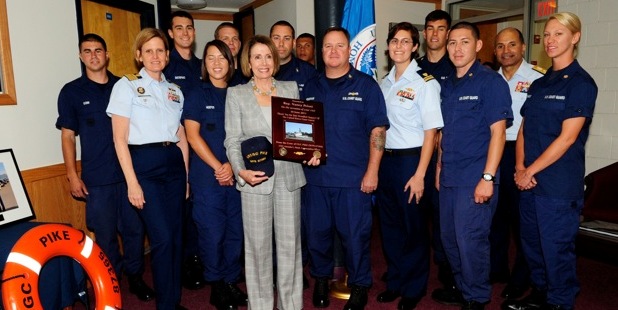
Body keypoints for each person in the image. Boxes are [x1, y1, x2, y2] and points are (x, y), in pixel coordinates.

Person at [505, 12, 597, 310]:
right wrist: (520, 168)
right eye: (547, 35)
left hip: (558, 185)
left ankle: (559, 302)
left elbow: (567, 138)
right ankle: (541, 294)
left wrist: (529, 169)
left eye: (559, 33)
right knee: (532, 246)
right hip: (529, 181)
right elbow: (524, 130)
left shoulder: (581, 83)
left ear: (575, 37)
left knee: (556, 249)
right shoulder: (540, 83)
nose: (550, 40)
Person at [55, 33, 153, 302]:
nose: (94, 55)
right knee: (106, 236)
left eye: (98, 50)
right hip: (97, 180)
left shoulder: (125, 86)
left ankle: (135, 277)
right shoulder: (71, 91)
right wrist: (72, 175)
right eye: (87, 51)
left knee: (135, 231)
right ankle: (110, 282)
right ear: (80, 56)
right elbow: (67, 136)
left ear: (107, 54)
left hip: (129, 175)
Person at [224, 35, 318, 310]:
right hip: (255, 180)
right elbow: (232, 140)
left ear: (274, 61)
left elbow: (301, 134)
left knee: (290, 247)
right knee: (258, 250)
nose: (263, 62)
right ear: (248, 62)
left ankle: (291, 305)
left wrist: (310, 153)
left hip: (289, 178)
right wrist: (240, 171)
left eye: (268, 56)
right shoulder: (237, 93)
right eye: (257, 57)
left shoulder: (290, 89)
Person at [302, 27, 389, 310]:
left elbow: (377, 131)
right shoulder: (311, 86)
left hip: (353, 180)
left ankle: (360, 285)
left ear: (348, 50)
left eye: (339, 46)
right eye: (328, 46)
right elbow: (301, 130)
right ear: (321, 51)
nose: (333, 51)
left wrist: (372, 171)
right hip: (316, 179)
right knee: (317, 237)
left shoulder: (366, 85)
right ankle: (322, 280)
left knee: (355, 237)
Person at [106, 28, 189, 310]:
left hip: (174, 165)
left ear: (167, 55)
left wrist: (186, 178)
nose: (155, 56)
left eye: (160, 50)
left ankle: (173, 301)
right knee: (163, 239)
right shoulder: (126, 86)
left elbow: (182, 136)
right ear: (139, 55)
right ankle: (166, 306)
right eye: (149, 50)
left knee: (176, 238)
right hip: (144, 165)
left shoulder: (175, 91)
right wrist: (132, 183)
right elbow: (119, 139)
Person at [432, 22, 512, 310]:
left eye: (464, 42)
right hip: (450, 176)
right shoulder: (447, 84)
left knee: (471, 242)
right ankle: (464, 289)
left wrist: (488, 177)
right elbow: (443, 132)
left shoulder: (490, 82)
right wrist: (440, 167)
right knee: (448, 240)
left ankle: (476, 298)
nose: (457, 48)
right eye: (452, 42)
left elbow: (498, 133)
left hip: (476, 176)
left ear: (478, 46)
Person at [376, 22, 443, 310]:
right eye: (394, 41)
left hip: (412, 161)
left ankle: (414, 288)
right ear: (388, 46)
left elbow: (432, 133)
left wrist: (420, 175)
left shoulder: (425, 82)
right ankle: (396, 281)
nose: (399, 46)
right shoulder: (384, 82)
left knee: (413, 227)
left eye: (406, 41)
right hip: (386, 162)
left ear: (416, 47)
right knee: (389, 226)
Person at [183, 39, 247, 310]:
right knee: (212, 232)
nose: (217, 63)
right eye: (211, 58)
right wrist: (218, 166)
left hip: (236, 173)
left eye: (222, 57)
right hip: (207, 175)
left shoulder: (239, 93)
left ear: (231, 63)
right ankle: (216, 284)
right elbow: (192, 135)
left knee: (235, 230)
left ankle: (231, 279)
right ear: (204, 64)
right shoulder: (197, 93)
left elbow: (247, 135)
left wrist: (232, 165)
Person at [490, 27, 545, 300]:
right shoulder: (489, 80)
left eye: (512, 45)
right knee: (494, 215)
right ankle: (496, 268)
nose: (506, 51)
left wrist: (524, 164)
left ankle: (521, 277)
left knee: (522, 220)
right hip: (493, 152)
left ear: (523, 47)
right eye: (500, 46)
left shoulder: (538, 79)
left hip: (521, 153)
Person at [164, 9, 206, 291]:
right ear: (171, 33)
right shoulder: (165, 66)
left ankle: (197, 260)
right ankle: (181, 267)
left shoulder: (204, 65)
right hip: (176, 148)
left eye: (189, 28)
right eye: (178, 28)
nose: (184, 33)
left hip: (203, 147)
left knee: (198, 211)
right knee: (178, 212)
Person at [418, 9, 457, 298]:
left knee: (444, 218)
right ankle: (412, 265)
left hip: (446, 155)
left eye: (440, 29)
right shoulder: (413, 67)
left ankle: (448, 272)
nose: (434, 34)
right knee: (415, 215)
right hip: (416, 154)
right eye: (429, 28)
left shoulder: (456, 66)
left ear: (448, 33)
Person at [270, 20, 318, 92]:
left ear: (294, 43)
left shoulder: (308, 72)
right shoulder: (259, 70)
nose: (281, 44)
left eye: (286, 38)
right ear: (269, 41)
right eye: (276, 38)